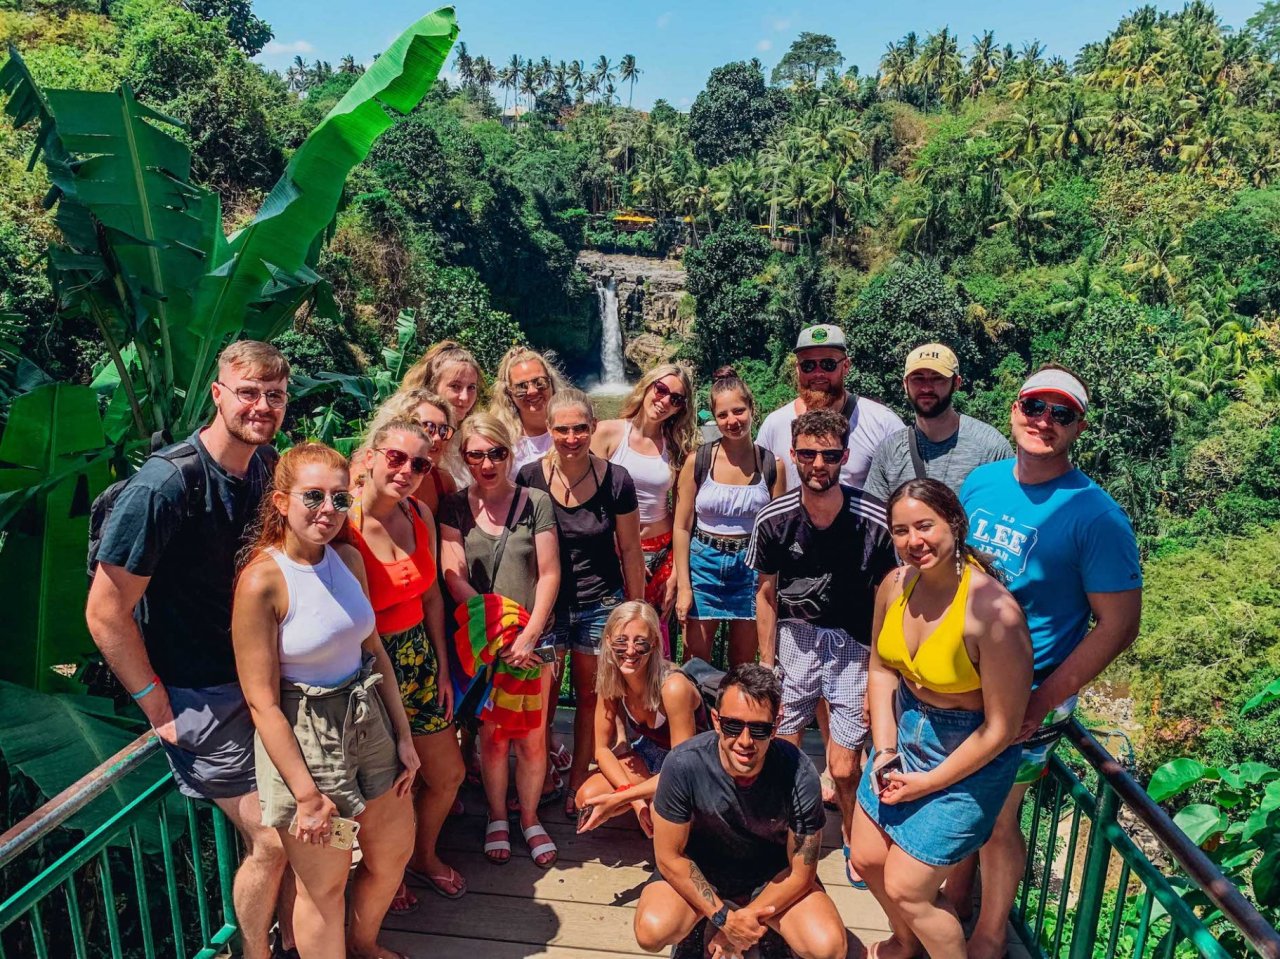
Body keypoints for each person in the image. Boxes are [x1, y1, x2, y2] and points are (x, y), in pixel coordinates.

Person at [86, 341, 291, 959]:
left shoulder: (264, 465)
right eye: (248, 392)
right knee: (273, 839)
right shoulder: (165, 486)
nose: (261, 406)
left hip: (260, 686)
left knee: (307, 830)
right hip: (196, 692)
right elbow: (105, 611)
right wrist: (156, 705)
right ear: (219, 394)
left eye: (274, 395)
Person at [957, 365, 1143, 959]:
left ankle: (988, 934)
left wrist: (1041, 701)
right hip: (957, 683)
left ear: (1078, 427)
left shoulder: (1097, 515)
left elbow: (1119, 626)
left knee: (1000, 816)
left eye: (1061, 414)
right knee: (961, 803)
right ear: (1014, 408)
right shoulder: (981, 484)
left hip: (1028, 693)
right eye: (1035, 406)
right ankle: (953, 903)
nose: (1044, 421)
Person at [232, 442, 419, 959]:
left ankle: (362, 943)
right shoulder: (263, 581)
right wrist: (308, 796)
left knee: (393, 849)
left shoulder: (347, 559)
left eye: (340, 499)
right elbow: (263, 703)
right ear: (281, 501)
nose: (328, 511)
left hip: (368, 723)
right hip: (306, 738)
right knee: (325, 884)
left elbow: (373, 649)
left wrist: (403, 736)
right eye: (313, 496)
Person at [850, 479, 1032, 959]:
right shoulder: (894, 585)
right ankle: (907, 943)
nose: (914, 541)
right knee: (867, 856)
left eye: (925, 525)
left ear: (955, 522)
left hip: (968, 754)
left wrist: (927, 783)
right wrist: (885, 748)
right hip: (904, 732)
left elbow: (1002, 729)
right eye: (901, 531)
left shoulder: (992, 613)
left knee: (909, 886)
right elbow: (881, 667)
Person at [746, 408, 897, 889]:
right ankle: (786, 834)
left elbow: (889, 597)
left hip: (855, 644)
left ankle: (852, 834)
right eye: (808, 454)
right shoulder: (775, 518)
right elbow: (766, 593)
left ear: (844, 456)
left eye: (829, 455)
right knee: (782, 747)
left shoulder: (874, 519)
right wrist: (766, 666)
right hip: (796, 638)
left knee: (844, 763)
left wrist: (883, 671)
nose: (818, 464)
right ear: (792, 455)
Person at [633, 665, 848, 959]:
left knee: (829, 948)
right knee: (652, 930)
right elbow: (669, 858)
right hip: (702, 871)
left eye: (759, 729)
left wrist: (740, 924)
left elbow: (801, 872)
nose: (745, 741)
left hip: (771, 877)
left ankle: (757, 927)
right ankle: (701, 924)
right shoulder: (683, 764)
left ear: (776, 726)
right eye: (734, 726)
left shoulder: (799, 772)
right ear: (716, 721)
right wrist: (723, 918)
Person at [346, 419, 465, 901]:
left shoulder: (419, 513)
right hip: (368, 668)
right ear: (370, 456)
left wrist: (439, 665)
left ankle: (421, 854)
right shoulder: (342, 526)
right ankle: (384, 870)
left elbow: (434, 596)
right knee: (381, 784)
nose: (406, 470)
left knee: (447, 774)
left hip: (416, 655)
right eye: (396, 457)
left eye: (419, 464)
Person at [439, 413, 562, 868]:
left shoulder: (536, 502)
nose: (487, 463)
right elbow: (452, 576)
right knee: (492, 737)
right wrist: (500, 629)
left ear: (510, 453)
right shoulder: (452, 506)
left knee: (532, 736)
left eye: (497, 453)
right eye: (476, 454)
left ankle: (528, 817)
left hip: (533, 640)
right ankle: (496, 815)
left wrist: (528, 634)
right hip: (485, 641)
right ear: (465, 458)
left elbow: (549, 572)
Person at [517, 388, 645, 815]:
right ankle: (545, 770)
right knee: (544, 696)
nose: (571, 437)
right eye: (562, 429)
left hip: (599, 604)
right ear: (549, 430)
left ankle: (575, 785)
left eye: (580, 429)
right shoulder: (530, 478)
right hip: (547, 610)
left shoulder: (617, 479)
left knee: (592, 697)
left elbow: (629, 549)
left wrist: (636, 611)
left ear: (593, 427)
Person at [673, 366, 785, 667]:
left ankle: (731, 716)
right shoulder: (698, 461)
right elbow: (682, 527)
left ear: (752, 409)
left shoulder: (772, 465)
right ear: (713, 417)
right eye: (723, 415)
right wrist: (683, 586)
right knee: (694, 664)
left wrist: (770, 587)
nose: (732, 421)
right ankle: (696, 716)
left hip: (750, 568)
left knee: (743, 666)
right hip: (703, 565)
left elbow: (776, 535)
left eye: (738, 411)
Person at [574, 602, 708, 834]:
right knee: (586, 798)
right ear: (607, 641)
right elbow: (602, 751)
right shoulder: (611, 679)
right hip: (650, 752)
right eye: (621, 641)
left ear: (654, 643)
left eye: (641, 642)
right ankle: (649, 803)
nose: (630, 650)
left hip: (693, 764)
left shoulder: (673, 687)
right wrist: (634, 801)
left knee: (662, 817)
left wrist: (620, 799)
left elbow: (681, 767)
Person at [592, 364, 698, 633]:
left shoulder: (677, 447)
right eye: (660, 390)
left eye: (676, 399)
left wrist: (676, 571)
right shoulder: (607, 433)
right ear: (647, 386)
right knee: (615, 635)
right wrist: (620, 549)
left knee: (653, 638)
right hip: (613, 552)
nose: (664, 401)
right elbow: (591, 503)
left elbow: (683, 515)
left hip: (661, 552)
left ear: (681, 408)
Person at [756, 324, 904, 493]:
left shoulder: (882, 423)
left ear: (846, 366)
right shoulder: (774, 425)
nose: (818, 373)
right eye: (808, 365)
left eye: (828, 364)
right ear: (798, 369)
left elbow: (905, 491)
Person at [863, 344, 1012, 503]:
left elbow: (1009, 510)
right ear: (905, 384)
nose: (926, 388)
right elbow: (874, 522)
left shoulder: (989, 447)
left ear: (956, 383)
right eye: (918, 378)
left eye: (937, 378)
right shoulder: (889, 451)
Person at [360, 389, 458, 516]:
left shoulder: (444, 482)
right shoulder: (359, 476)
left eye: (444, 430)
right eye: (428, 427)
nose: (438, 437)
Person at [402, 341, 485, 485]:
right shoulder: (406, 435)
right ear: (432, 386)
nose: (465, 397)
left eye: (471, 387)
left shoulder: (475, 438)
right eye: (455, 386)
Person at [489, 345, 568, 471]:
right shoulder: (500, 438)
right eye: (521, 386)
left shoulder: (575, 428)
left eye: (540, 382)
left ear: (551, 383)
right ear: (509, 393)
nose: (532, 391)